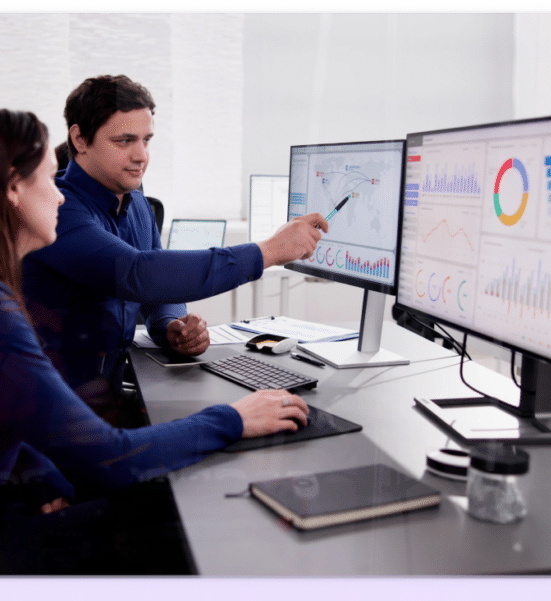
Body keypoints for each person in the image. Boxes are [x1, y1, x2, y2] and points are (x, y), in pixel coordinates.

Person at [0, 104, 310, 574]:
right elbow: (111, 458)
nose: (59, 195)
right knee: (195, 517)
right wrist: (233, 418)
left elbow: (1, 412)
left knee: (171, 500)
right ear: (13, 189)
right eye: (46, 179)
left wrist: (42, 479)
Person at [22, 74, 328, 416]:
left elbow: (157, 294)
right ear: (79, 139)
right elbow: (139, 275)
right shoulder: (57, 209)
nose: (141, 156)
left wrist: (171, 326)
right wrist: (269, 251)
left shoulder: (137, 204)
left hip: (102, 401)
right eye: (124, 141)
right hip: (53, 412)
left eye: (146, 140)